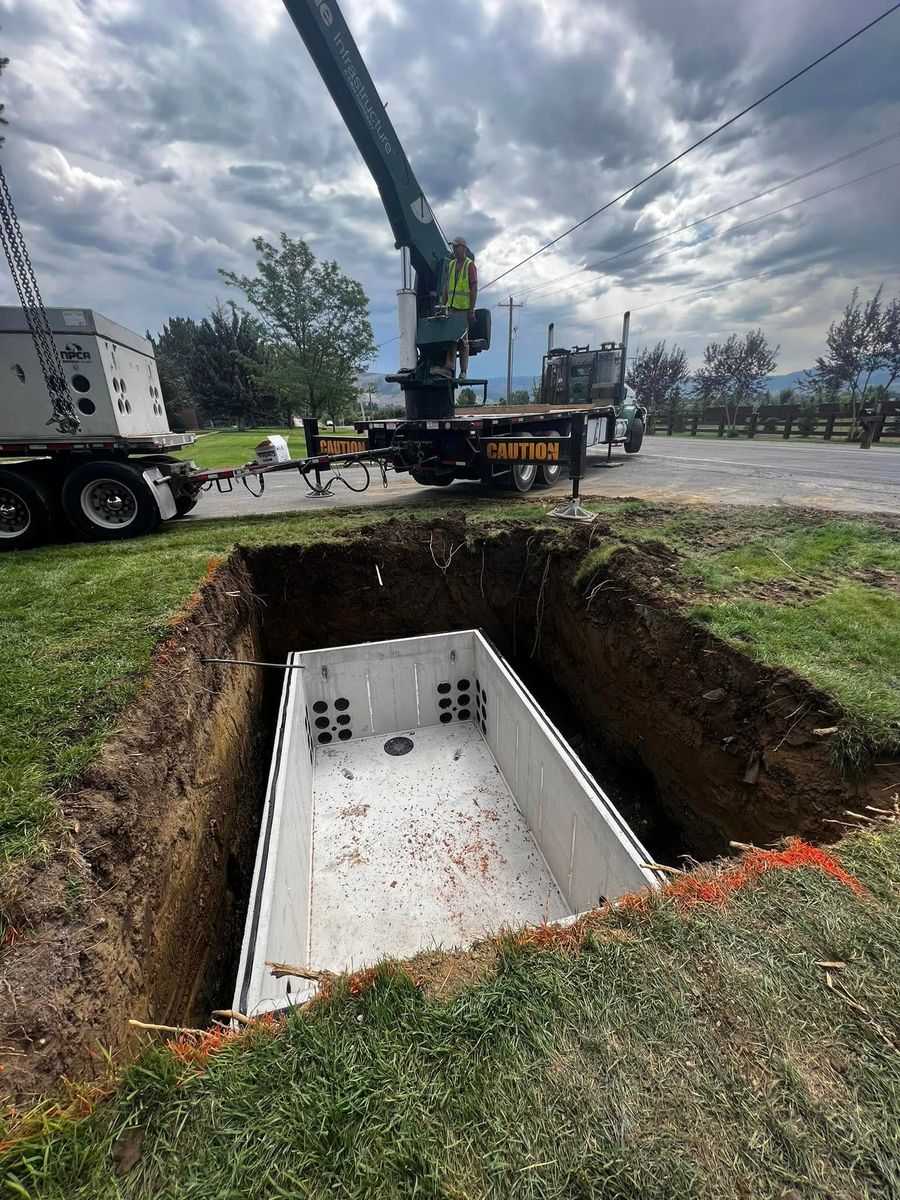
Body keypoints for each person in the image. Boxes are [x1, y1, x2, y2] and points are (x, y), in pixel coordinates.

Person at [433, 235, 477, 379]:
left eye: (456, 246)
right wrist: (442, 304)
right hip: (451, 308)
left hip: (463, 309)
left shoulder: (469, 265)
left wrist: (471, 309)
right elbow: (447, 286)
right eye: (453, 246)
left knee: (463, 341)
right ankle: (449, 368)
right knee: (451, 339)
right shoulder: (451, 265)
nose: (454, 249)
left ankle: (463, 371)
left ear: (463, 248)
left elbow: (474, 287)